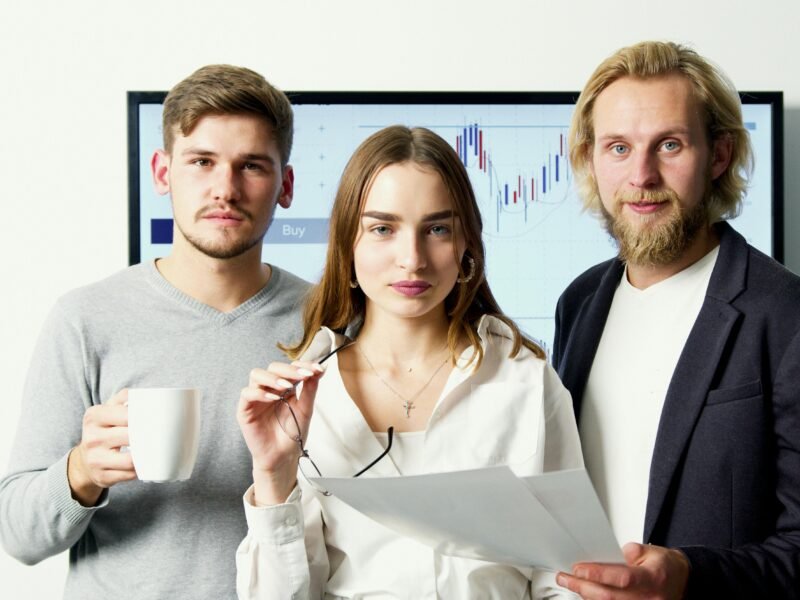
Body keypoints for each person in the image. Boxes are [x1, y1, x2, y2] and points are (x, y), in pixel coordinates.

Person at [235, 125, 584, 599]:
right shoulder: (307, 397)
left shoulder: (523, 379)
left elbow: (565, 579)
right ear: (347, 246)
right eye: (382, 229)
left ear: (465, 246)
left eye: (437, 229)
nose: (412, 259)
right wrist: (274, 477)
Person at [0, 65, 309, 598]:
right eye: (202, 162)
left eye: (251, 166)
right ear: (163, 173)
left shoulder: (329, 321)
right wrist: (81, 472)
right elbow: (18, 535)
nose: (225, 189)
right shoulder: (85, 319)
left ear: (285, 185)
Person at [552, 41, 800, 599]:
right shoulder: (578, 303)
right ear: (592, 159)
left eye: (669, 144)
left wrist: (691, 576)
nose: (642, 175)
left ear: (718, 155)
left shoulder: (785, 315)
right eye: (618, 147)